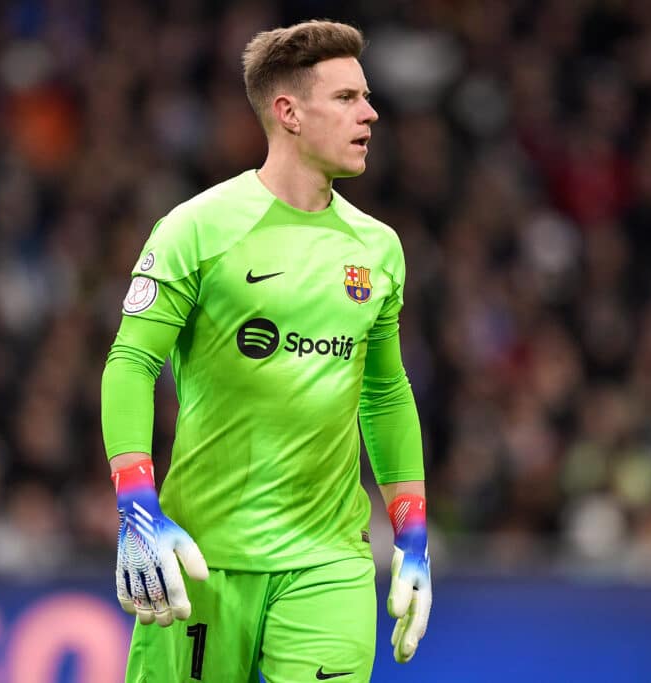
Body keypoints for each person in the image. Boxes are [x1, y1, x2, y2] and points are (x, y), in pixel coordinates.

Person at [100, 19, 431, 683]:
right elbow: (132, 361)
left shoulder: (379, 249)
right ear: (289, 113)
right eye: (345, 98)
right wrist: (137, 506)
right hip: (204, 560)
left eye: (365, 97)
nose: (369, 112)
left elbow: (385, 390)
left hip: (331, 561)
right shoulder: (197, 228)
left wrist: (414, 534)